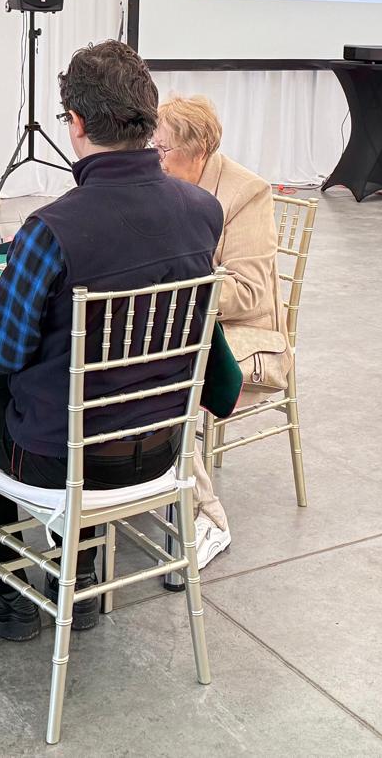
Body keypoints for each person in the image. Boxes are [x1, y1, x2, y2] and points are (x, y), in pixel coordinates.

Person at [0, 41, 223, 644]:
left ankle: (3, 593)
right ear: (148, 119)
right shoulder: (203, 210)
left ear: (76, 123)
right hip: (162, 449)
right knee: (88, 408)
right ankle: (81, 574)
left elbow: (0, 355)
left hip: (64, 460)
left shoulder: (52, 229)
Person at [153, 95, 293, 569]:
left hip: (247, 340)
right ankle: (142, 482)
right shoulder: (167, 185)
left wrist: (174, 286)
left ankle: (206, 516)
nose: (156, 160)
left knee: (165, 375)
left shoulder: (245, 193)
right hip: (189, 326)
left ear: (198, 150)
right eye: (153, 148)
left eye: (164, 150)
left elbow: (249, 293)